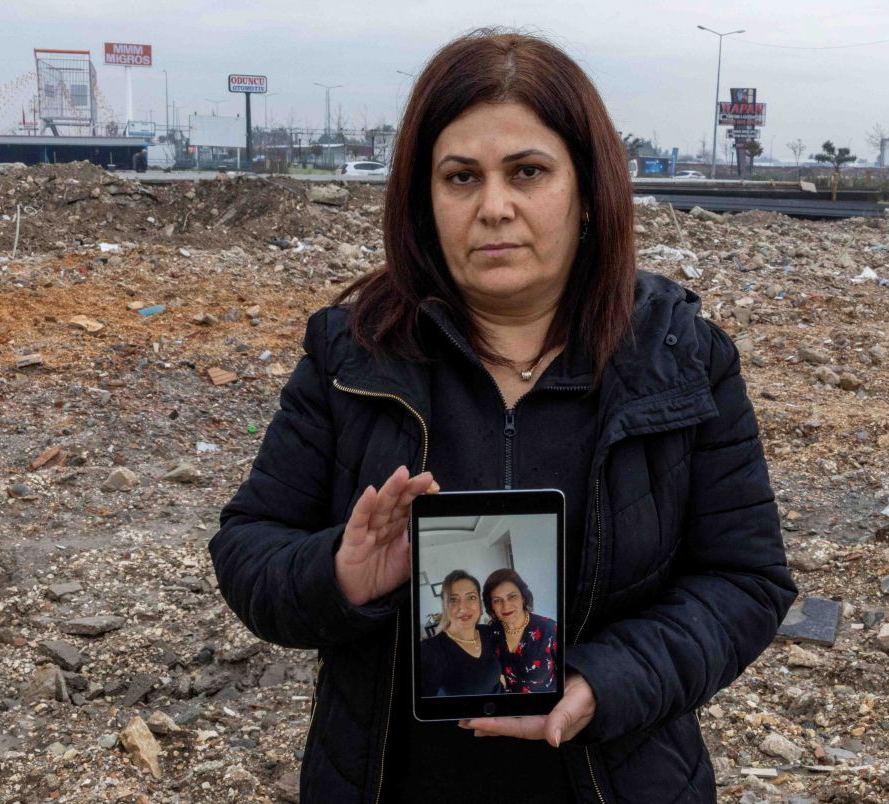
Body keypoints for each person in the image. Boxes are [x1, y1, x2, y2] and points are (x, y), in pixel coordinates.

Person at [210, 28, 796, 804]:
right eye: (461, 177)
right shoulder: (351, 354)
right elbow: (248, 548)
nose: (494, 207)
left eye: (527, 171)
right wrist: (341, 575)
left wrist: (605, 679)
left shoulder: (680, 356)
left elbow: (745, 579)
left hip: (620, 777)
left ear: (587, 188)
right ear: (425, 198)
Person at [419, 570, 502, 697]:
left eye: (471, 597)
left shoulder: (488, 632)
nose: (463, 608)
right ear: (445, 606)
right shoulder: (429, 651)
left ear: (480, 603)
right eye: (453, 600)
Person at [483, 568, 557, 694]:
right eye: (497, 600)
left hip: (546, 706)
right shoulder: (491, 632)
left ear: (523, 597)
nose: (506, 606)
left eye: (512, 597)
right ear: (491, 606)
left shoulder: (549, 629)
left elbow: (568, 673)